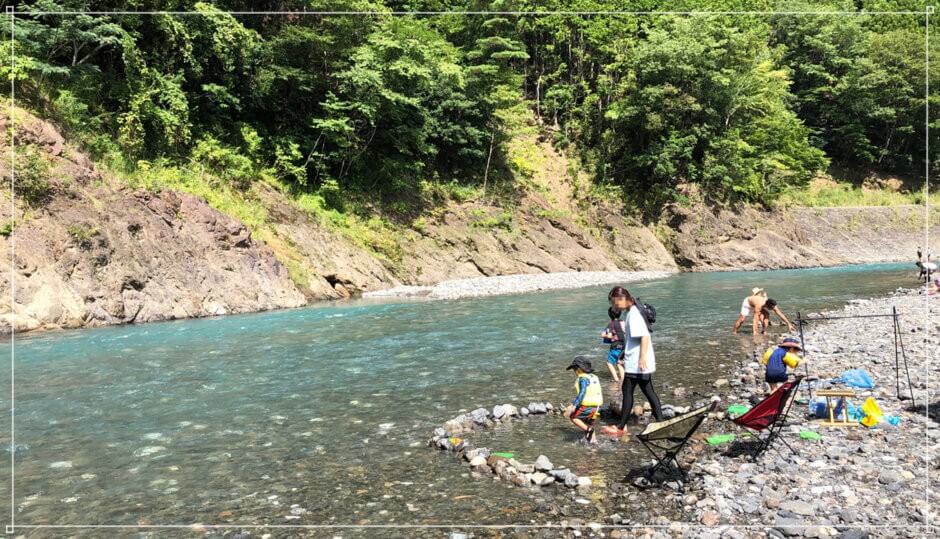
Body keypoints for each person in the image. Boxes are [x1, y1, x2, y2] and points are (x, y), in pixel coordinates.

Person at [601, 286, 664, 437]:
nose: (615, 307)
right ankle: (660, 421)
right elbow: (633, 339)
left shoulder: (634, 314)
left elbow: (644, 337)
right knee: (647, 391)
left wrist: (641, 359)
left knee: (629, 391)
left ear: (623, 298)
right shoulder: (632, 311)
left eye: (615, 303)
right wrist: (624, 354)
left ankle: (621, 426)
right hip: (635, 360)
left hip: (638, 362)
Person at [565, 356, 603, 444]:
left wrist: (574, 405)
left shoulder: (582, 379)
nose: (574, 372)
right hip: (598, 406)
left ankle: (588, 430)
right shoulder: (594, 377)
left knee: (573, 417)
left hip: (587, 406)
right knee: (590, 423)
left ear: (578, 369)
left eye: (574, 370)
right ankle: (594, 443)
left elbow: (582, 392)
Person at [601, 307, 625, 382]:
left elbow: (609, 336)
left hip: (616, 345)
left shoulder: (611, 323)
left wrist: (603, 335)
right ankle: (623, 380)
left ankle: (617, 379)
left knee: (609, 363)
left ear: (609, 315)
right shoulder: (623, 322)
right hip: (624, 345)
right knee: (619, 362)